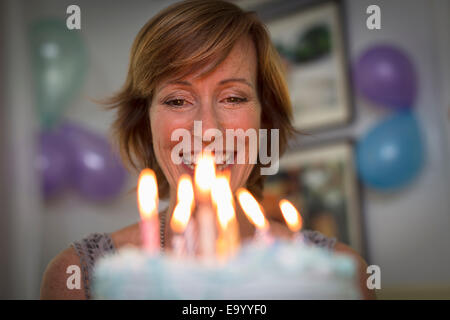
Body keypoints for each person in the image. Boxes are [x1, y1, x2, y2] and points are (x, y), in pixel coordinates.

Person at [40, 0, 374, 300]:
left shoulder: (339, 275)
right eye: (177, 100)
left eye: (233, 98)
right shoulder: (78, 277)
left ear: (264, 119)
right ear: (146, 122)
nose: (208, 131)